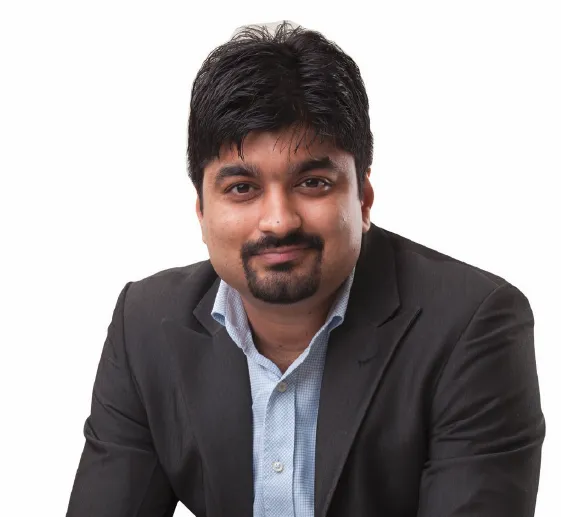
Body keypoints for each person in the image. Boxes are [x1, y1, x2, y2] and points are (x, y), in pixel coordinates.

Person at [66, 20, 545, 517]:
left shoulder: (471, 325)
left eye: (313, 182)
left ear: (363, 199)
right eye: (242, 188)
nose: (278, 221)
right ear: (202, 212)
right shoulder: (146, 325)